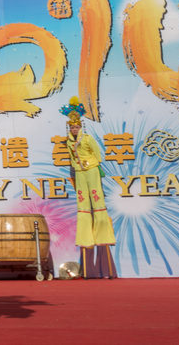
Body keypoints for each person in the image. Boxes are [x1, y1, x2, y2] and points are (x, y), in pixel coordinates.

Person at [62, 97, 118, 279]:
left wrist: (91, 164)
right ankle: (85, 235)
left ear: (81, 127)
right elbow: (71, 156)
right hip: (79, 171)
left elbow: (97, 153)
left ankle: (103, 232)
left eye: (76, 127)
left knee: (96, 198)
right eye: (72, 127)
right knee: (83, 202)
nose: (74, 129)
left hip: (91, 169)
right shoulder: (70, 141)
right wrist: (78, 165)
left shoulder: (87, 139)